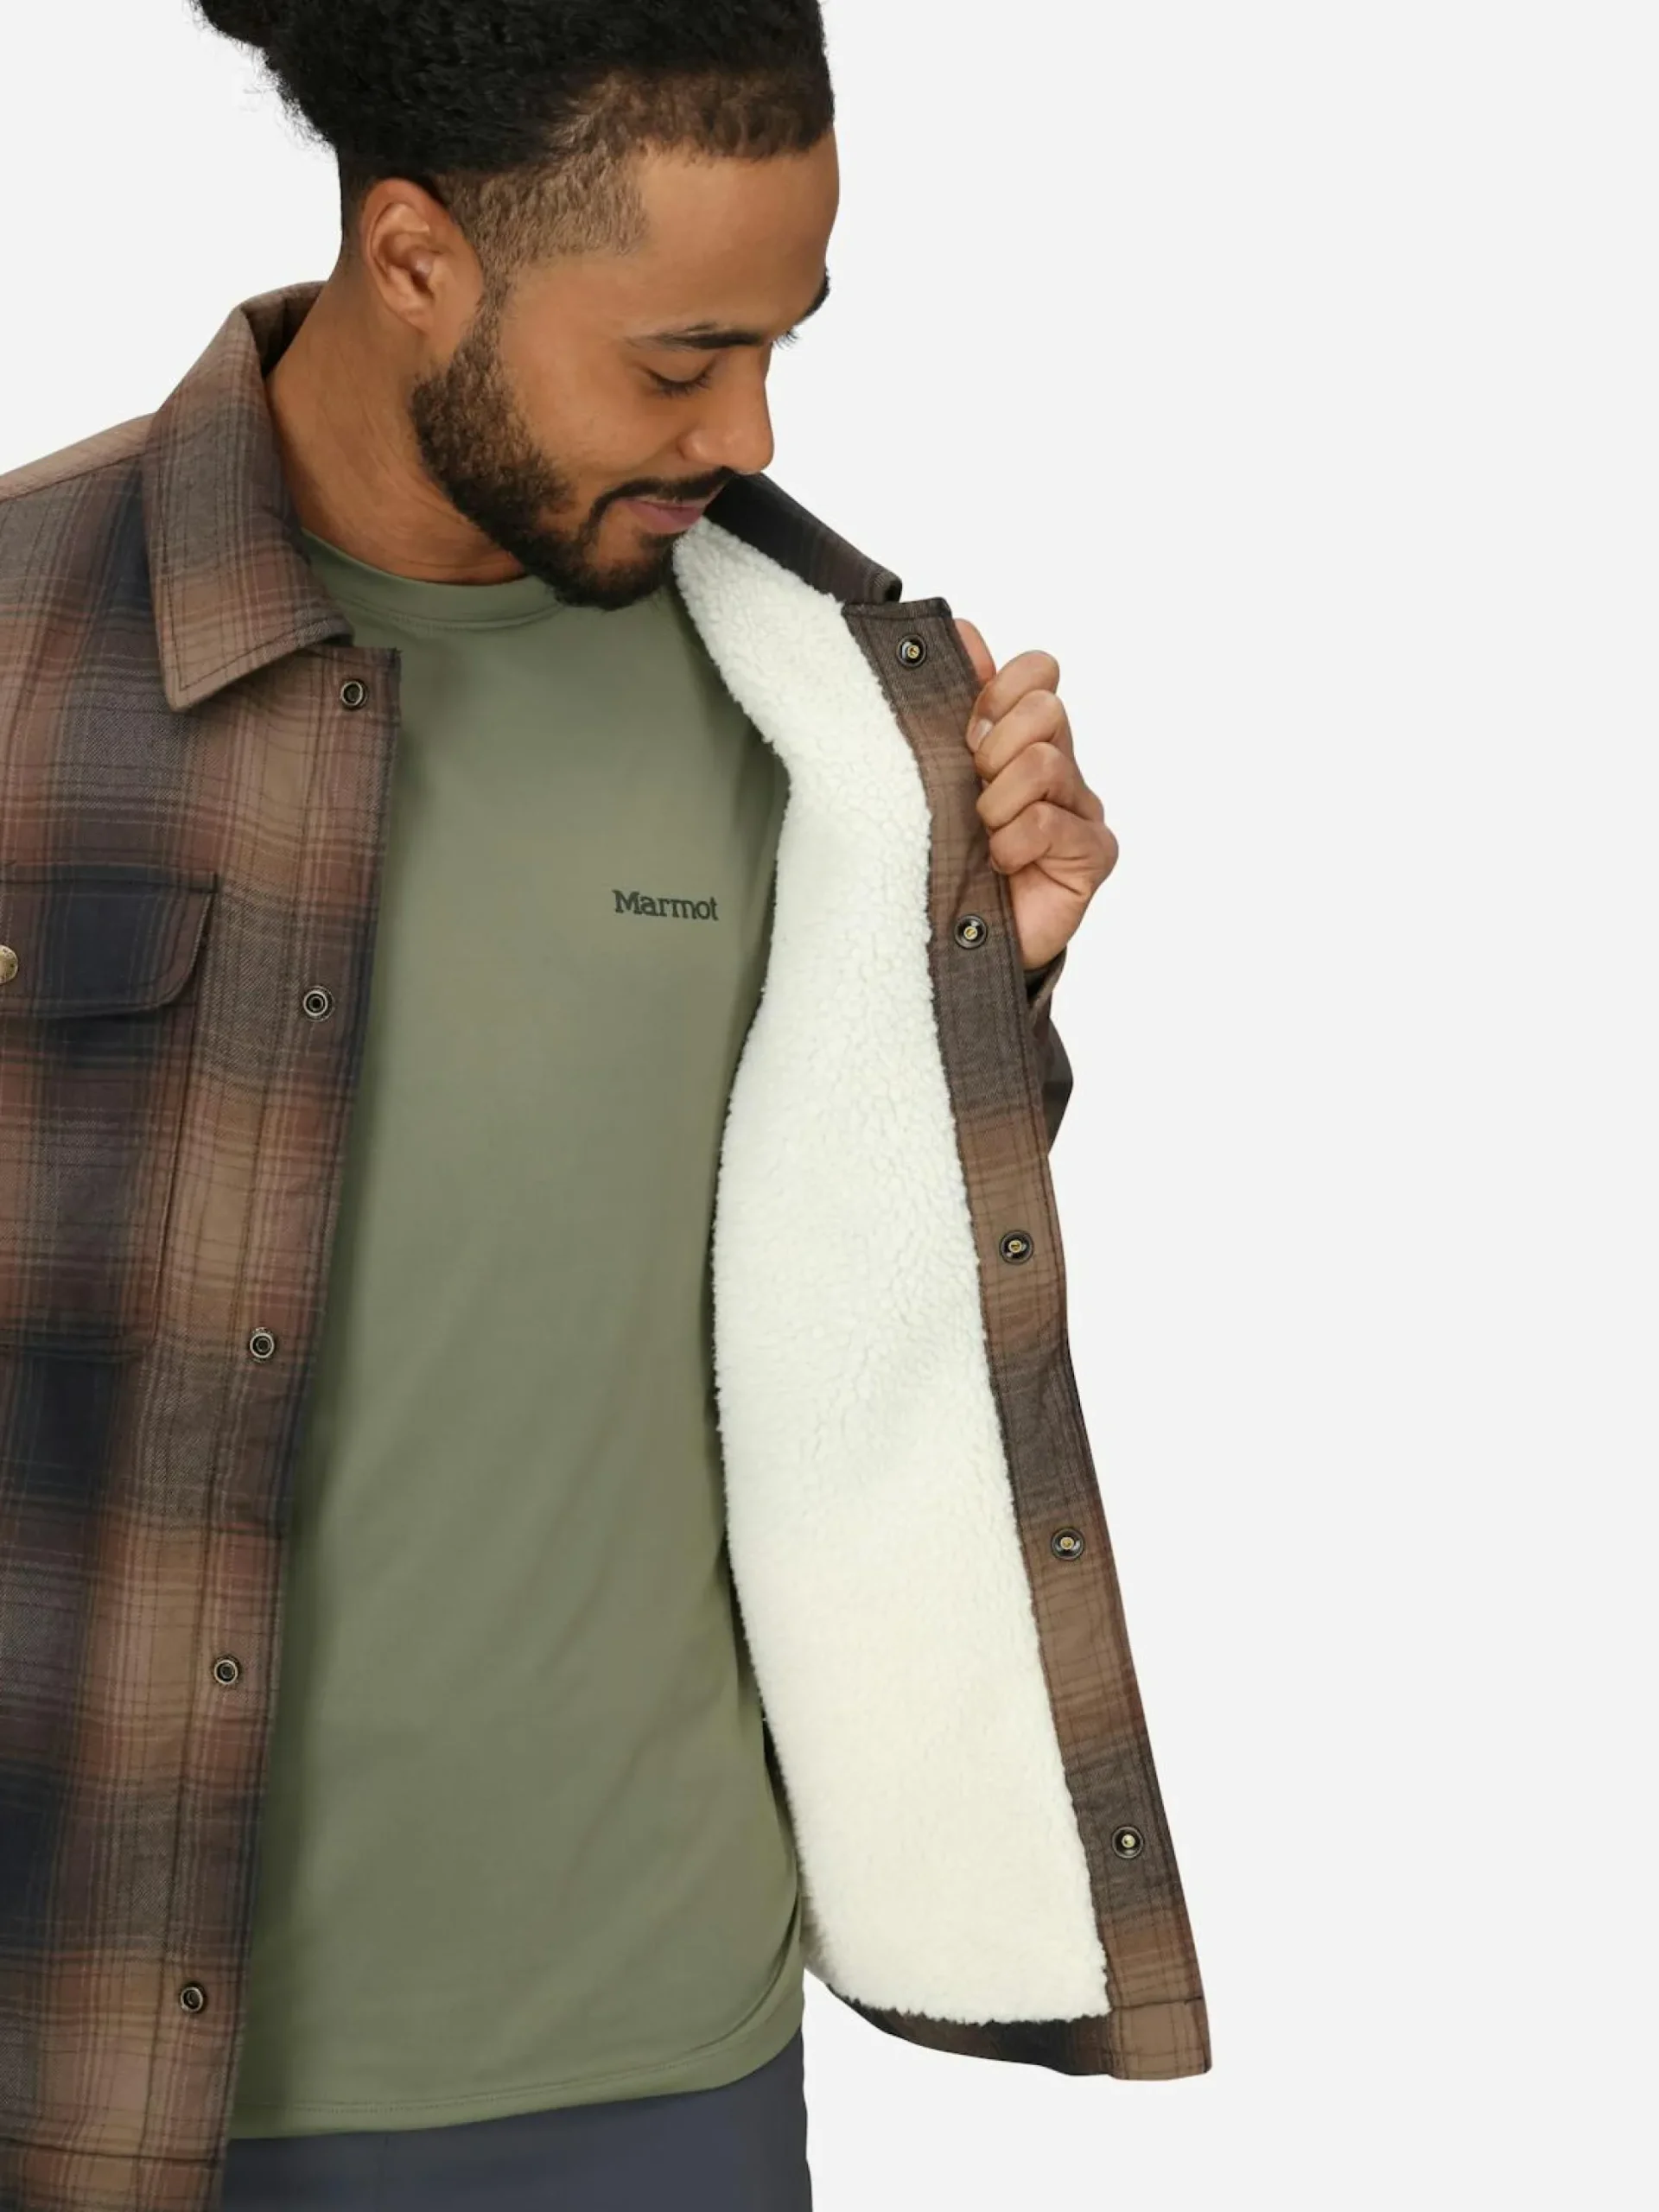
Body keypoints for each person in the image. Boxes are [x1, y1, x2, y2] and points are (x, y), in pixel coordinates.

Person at [0, 3, 1210, 2208]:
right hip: (88, 2061)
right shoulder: (19, 649)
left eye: (780, 343)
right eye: (679, 361)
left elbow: (839, 1300)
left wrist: (985, 991)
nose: (746, 430)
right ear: (416, 257)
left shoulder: (822, 711)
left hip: (659, 2067)